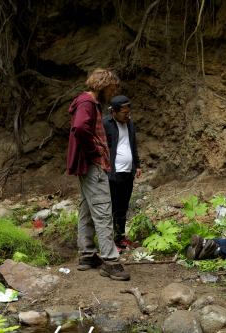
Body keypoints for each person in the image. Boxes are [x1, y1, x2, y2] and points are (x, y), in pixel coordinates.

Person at [67, 68, 130, 281]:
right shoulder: (87, 103)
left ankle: (86, 255)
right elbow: (80, 128)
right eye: (112, 89)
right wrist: (95, 152)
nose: (113, 94)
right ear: (103, 86)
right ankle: (110, 262)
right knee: (103, 210)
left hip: (88, 166)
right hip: (93, 165)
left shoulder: (87, 102)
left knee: (86, 209)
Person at [103, 95, 141, 250]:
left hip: (128, 172)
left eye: (128, 112)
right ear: (114, 112)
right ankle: (109, 242)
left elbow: (133, 145)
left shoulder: (130, 123)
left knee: (123, 206)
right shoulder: (105, 124)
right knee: (113, 207)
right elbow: (102, 147)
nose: (128, 115)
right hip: (113, 173)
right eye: (124, 113)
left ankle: (120, 238)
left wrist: (137, 165)